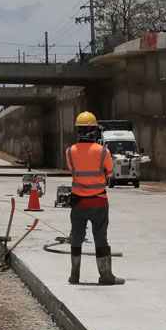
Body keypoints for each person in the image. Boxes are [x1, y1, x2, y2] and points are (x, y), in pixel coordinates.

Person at [65, 112, 123, 285]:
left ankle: (74, 275)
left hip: (79, 202)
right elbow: (110, 172)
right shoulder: (103, 151)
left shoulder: (70, 152)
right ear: (94, 131)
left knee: (76, 237)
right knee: (100, 237)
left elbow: (73, 170)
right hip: (99, 201)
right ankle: (106, 276)